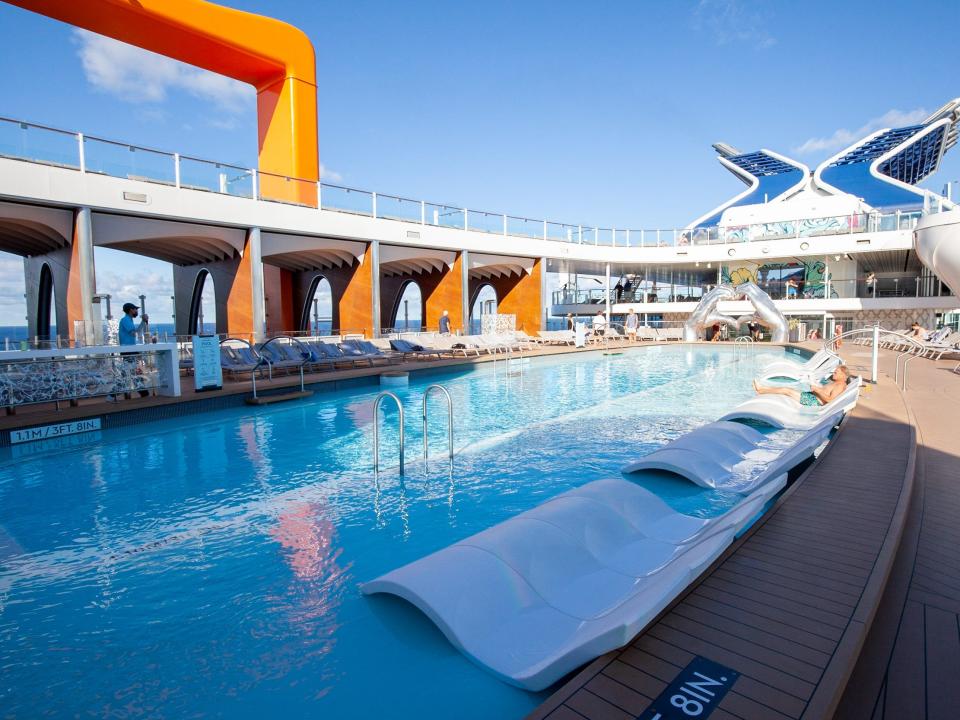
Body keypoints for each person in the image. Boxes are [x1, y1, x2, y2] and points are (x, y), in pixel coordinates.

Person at [753, 365, 850, 407]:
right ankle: (762, 388)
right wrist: (816, 387)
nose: (833, 373)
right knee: (789, 389)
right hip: (813, 397)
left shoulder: (840, 385)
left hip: (814, 401)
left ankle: (761, 390)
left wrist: (817, 390)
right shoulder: (837, 383)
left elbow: (830, 400)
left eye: (836, 372)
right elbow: (826, 392)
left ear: (843, 375)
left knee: (786, 390)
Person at [117, 302, 150, 399]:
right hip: (128, 350)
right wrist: (143, 321)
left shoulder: (129, 320)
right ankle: (143, 392)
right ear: (131, 310)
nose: (136, 311)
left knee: (131, 372)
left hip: (130, 350)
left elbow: (134, 333)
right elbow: (134, 333)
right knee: (132, 372)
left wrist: (143, 322)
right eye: (135, 309)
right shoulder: (125, 320)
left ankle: (142, 392)